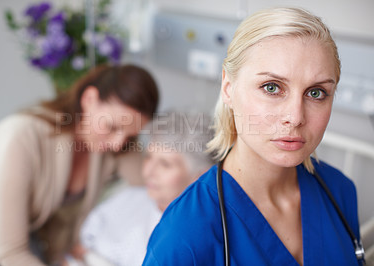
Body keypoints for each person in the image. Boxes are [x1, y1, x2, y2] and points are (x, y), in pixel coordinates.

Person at [143, 7, 363, 266]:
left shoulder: (339, 191)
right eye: (271, 88)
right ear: (228, 88)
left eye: (316, 93)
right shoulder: (184, 236)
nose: (295, 117)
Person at [0, 64, 159, 266]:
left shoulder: (111, 145)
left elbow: (153, 184)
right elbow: (11, 254)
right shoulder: (22, 137)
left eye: (130, 136)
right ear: (89, 100)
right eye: (112, 127)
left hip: (30, 246)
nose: (118, 143)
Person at [68, 112, 215, 266]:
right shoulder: (128, 197)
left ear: (201, 176)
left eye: (165, 164)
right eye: (148, 157)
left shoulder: (199, 234)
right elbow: (76, 251)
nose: (148, 171)